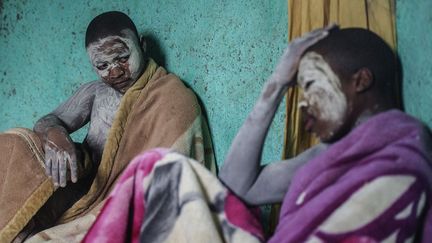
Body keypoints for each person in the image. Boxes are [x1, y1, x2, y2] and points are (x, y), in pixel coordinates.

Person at [0, 11, 215, 242]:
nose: (114, 71)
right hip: (80, 191)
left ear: (142, 46)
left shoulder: (170, 98)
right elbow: (47, 121)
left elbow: (172, 176)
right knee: (17, 142)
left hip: (123, 200)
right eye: (102, 65)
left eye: (122, 58)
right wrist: (56, 134)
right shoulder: (95, 92)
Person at [220, 25, 432, 242]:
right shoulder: (324, 160)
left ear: (361, 81)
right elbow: (233, 188)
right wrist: (277, 82)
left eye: (311, 84)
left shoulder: (404, 154)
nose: (303, 104)